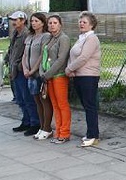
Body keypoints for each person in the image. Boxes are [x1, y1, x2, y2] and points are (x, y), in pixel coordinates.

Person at [65, 11, 102, 148]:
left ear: (91, 25)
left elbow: (84, 57)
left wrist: (69, 69)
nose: (81, 23)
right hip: (79, 76)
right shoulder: (81, 38)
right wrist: (71, 68)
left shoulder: (92, 39)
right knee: (86, 106)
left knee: (90, 106)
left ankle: (94, 135)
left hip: (89, 76)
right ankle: (90, 132)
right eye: (80, 21)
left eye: (84, 22)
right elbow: (72, 55)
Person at [6, 11, 40, 135]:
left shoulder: (26, 34)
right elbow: (12, 49)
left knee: (28, 98)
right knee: (20, 98)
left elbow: (26, 53)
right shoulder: (15, 33)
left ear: (23, 21)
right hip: (14, 70)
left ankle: (34, 123)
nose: (14, 22)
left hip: (22, 70)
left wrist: (20, 66)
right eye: (13, 20)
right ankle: (26, 121)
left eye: (16, 20)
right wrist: (7, 59)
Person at [40, 14, 72, 144]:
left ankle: (65, 133)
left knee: (62, 104)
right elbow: (43, 57)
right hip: (48, 77)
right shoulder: (49, 39)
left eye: (54, 23)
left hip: (58, 76)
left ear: (60, 24)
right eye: (50, 23)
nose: (52, 25)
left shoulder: (63, 39)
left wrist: (47, 74)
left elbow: (61, 60)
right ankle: (58, 131)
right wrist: (42, 72)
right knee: (55, 104)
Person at [22, 13, 51, 139]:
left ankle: (47, 127)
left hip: (38, 73)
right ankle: (41, 126)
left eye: (37, 21)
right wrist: (25, 69)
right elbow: (24, 55)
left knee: (44, 101)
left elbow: (42, 55)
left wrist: (33, 70)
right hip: (29, 74)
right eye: (32, 21)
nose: (34, 23)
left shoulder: (45, 36)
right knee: (37, 102)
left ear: (43, 23)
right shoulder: (29, 37)